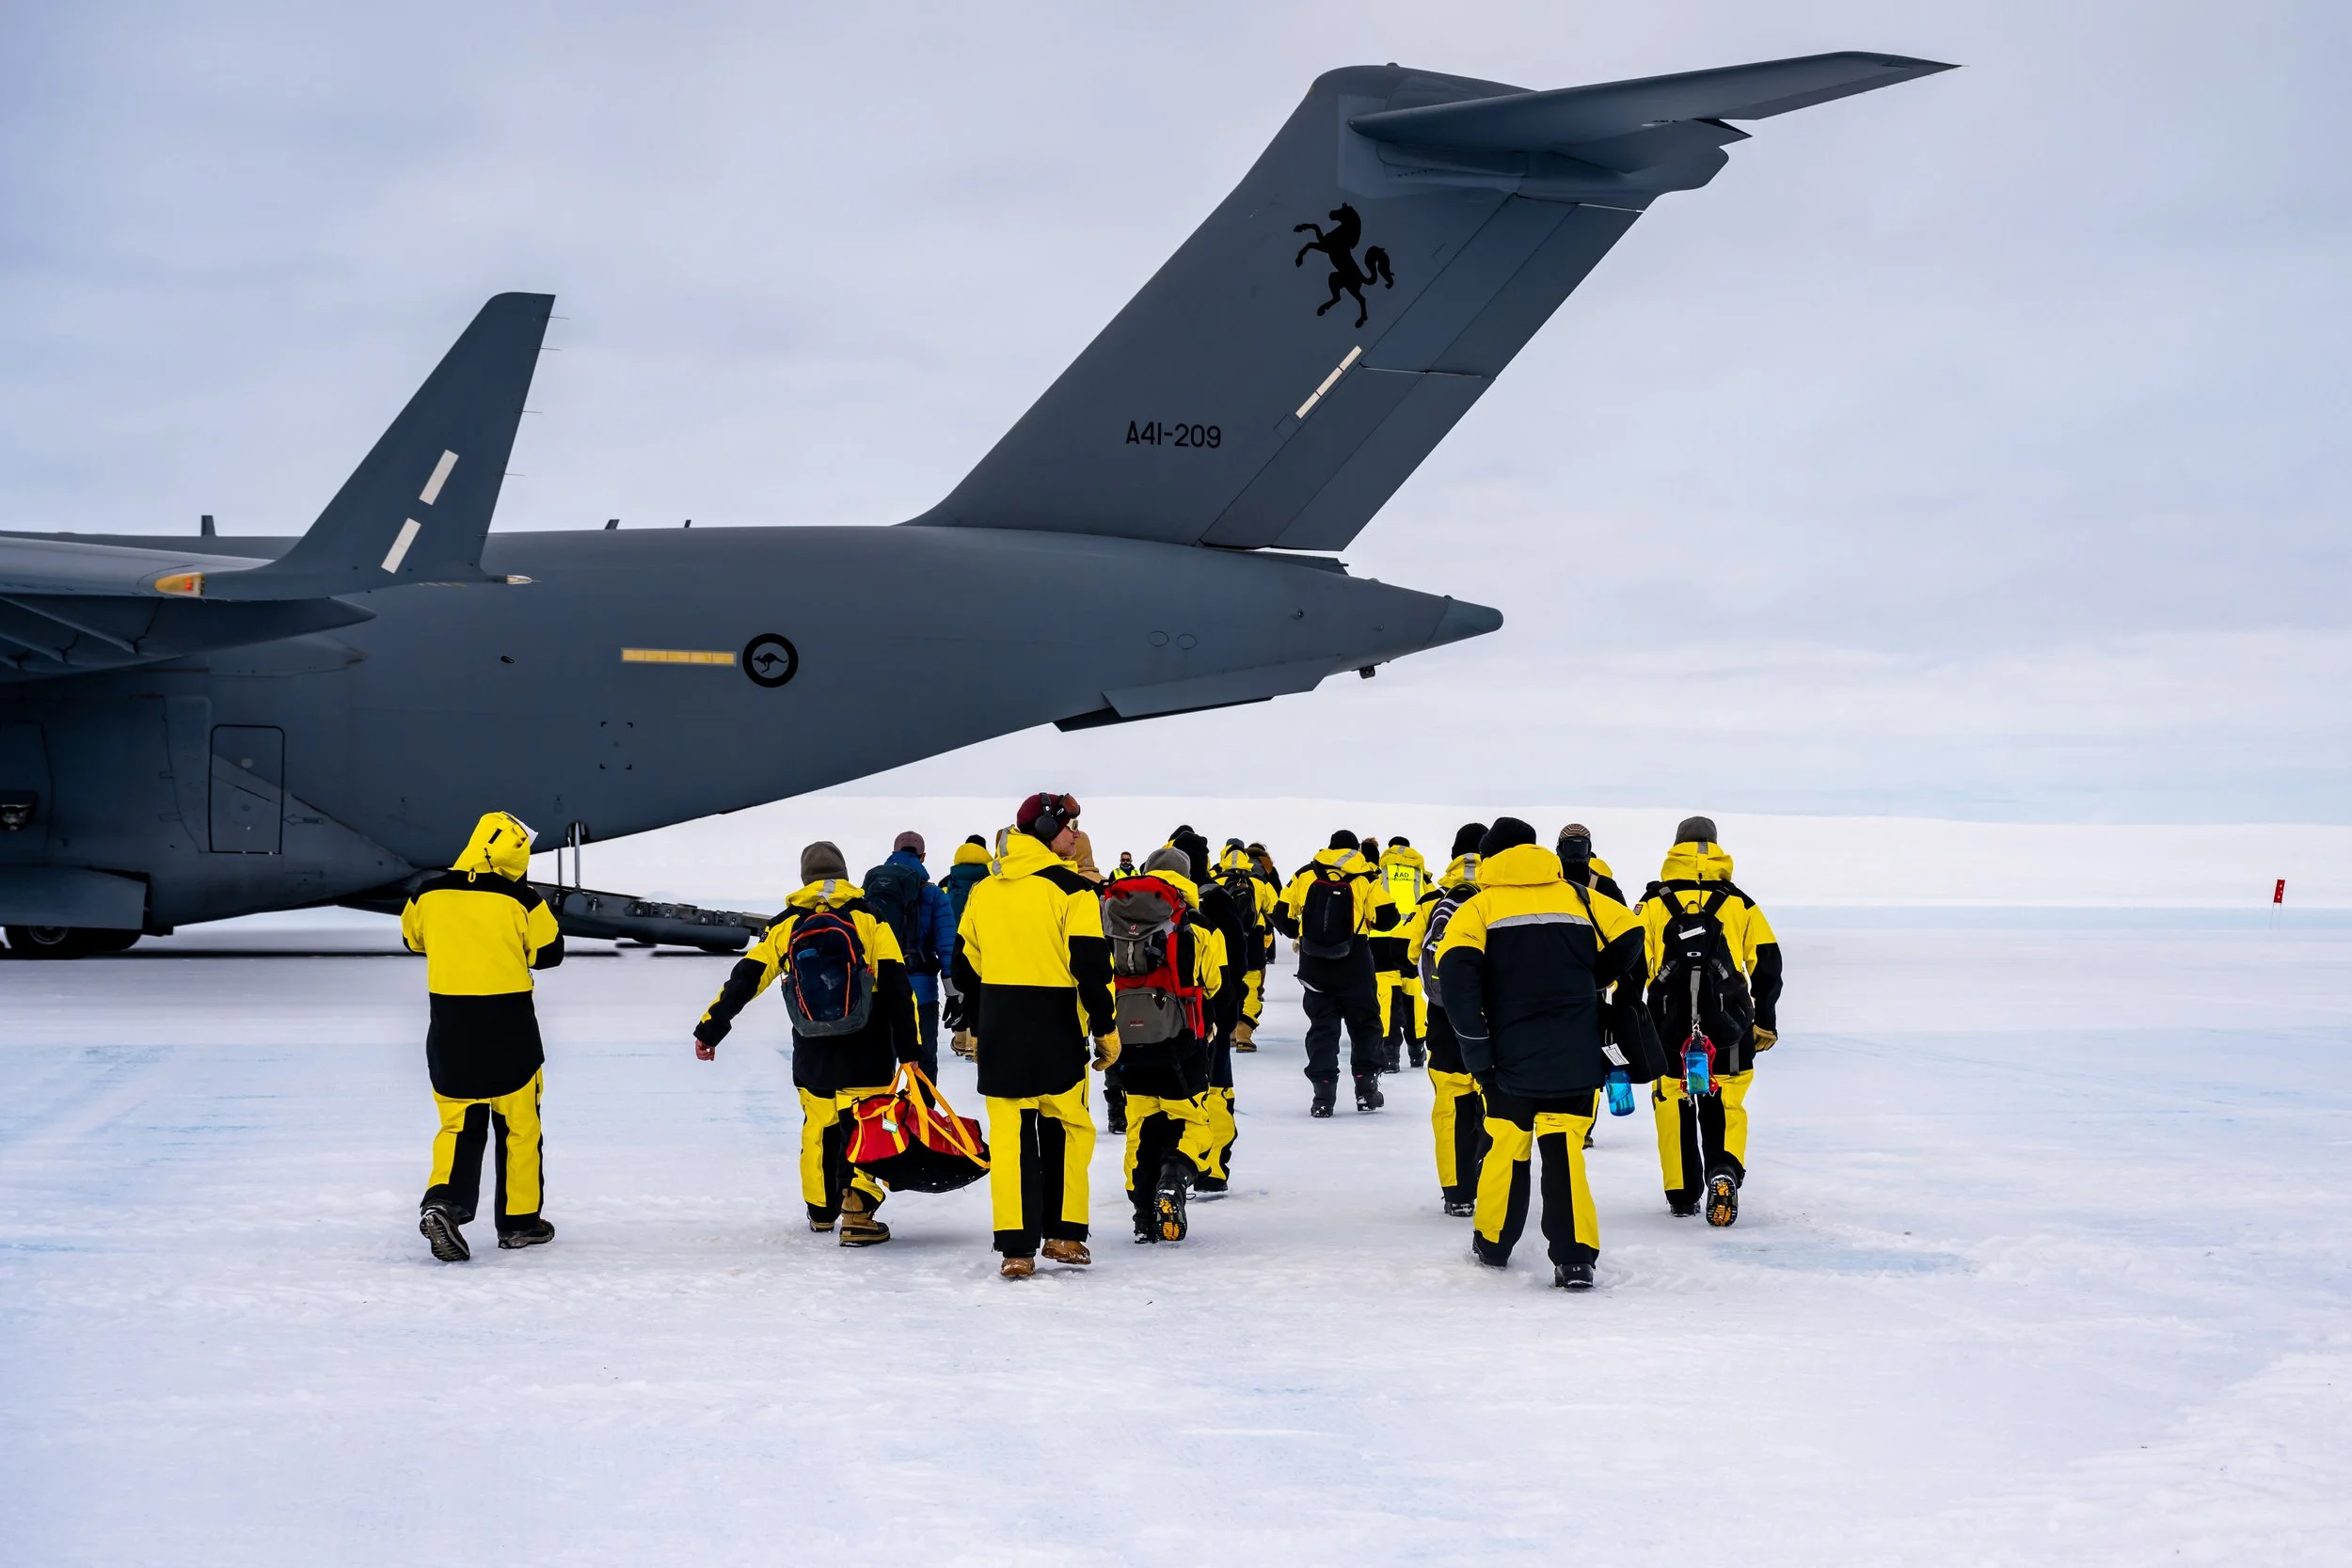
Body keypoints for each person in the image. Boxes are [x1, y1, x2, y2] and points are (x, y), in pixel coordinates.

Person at [1436, 817, 1646, 1290]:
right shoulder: (1580, 897)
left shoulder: (1480, 907)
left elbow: (1456, 982)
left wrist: (1475, 1049)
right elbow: (1632, 935)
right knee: (1564, 1148)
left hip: (1508, 1055)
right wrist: (1592, 976)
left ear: (1489, 857)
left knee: (1507, 1145)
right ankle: (1574, 1259)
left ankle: (1493, 1244)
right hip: (1576, 1051)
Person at [691, 842, 919, 1245]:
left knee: (818, 1126)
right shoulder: (870, 918)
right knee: (864, 1124)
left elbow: (746, 978)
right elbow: (899, 987)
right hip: (866, 1047)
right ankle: (858, 1210)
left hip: (812, 1049)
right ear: (844, 875)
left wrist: (711, 1028)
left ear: (805, 879)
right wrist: (911, 1052)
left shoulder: (786, 924)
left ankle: (820, 1210)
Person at [952, 792, 1117, 1278]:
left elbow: (965, 968)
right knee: (1067, 1129)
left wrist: (981, 1022)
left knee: (1011, 1140)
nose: (1076, 835)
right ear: (1048, 829)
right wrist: (1106, 1029)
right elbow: (1091, 967)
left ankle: (1017, 1251)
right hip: (1058, 1025)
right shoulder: (1073, 891)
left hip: (1002, 1031)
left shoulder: (985, 891)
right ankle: (1064, 1236)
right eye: (1070, 827)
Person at [405, 811, 565, 1262]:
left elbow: (413, 940)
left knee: (459, 1124)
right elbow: (550, 953)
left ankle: (444, 1205)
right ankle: (520, 1224)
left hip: (451, 1024)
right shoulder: (521, 898)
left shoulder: (429, 893)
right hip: (509, 1025)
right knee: (519, 1127)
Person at [1636, 816, 1784, 1227]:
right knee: (1728, 1099)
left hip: (1667, 1023)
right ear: (1717, 848)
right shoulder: (1740, 903)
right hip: (1729, 1024)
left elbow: (1631, 964)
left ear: (1676, 848)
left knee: (1672, 1102)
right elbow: (1768, 963)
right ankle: (1724, 1169)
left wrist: (1630, 1017)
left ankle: (1683, 1194)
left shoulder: (1652, 903)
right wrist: (1765, 1020)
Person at [1107, 847, 1232, 1242]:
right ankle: (1174, 1178)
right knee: (1194, 1121)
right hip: (1182, 1042)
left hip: (1129, 1041)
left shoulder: (1114, 916)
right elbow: (1217, 987)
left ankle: (1143, 1217)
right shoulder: (1200, 925)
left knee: (1141, 1125)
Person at [1277, 830, 1397, 1116]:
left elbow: (1280, 914)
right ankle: (1366, 1090)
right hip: (1355, 959)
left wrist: (1302, 933)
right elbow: (1387, 918)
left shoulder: (1305, 873)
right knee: (1365, 1023)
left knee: (1322, 1026)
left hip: (1314, 961)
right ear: (1355, 850)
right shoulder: (1366, 877)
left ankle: (1323, 1095)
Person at [1412, 822, 1487, 1216]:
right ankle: (1492, 1180)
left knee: (1451, 1100)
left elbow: (1412, 954)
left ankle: (1457, 1192)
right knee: (1494, 1100)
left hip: (1444, 1018)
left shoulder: (1433, 900)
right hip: (1494, 1018)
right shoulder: (1499, 897)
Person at [862, 831, 958, 1083]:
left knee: (880, 1064)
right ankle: (921, 1118)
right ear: (922, 857)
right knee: (923, 1062)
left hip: (876, 991)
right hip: (920, 993)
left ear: (893, 853)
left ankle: (882, 1121)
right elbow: (947, 948)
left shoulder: (869, 892)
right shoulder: (934, 895)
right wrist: (954, 994)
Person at [1375, 834, 1432, 1070]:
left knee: (1387, 995)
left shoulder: (1378, 876)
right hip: (1410, 942)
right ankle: (1417, 1050)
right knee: (1413, 995)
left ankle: (1390, 1055)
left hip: (1381, 942)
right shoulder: (1422, 878)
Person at [1212, 839, 1275, 1052]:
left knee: (1225, 983)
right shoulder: (1258, 882)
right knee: (1252, 986)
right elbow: (1275, 909)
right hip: (1252, 938)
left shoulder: (1215, 880)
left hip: (1223, 940)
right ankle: (1244, 1034)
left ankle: (1228, 1030)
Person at [939, 835, 991, 1060]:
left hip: (954, 942)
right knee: (979, 989)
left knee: (960, 990)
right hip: (981, 942)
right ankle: (974, 1041)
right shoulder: (990, 879)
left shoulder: (949, 880)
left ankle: (961, 1040)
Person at [1556, 823, 1626, 903]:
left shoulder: (1605, 886)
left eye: (1581, 849)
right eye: (1571, 849)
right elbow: (1625, 915)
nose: (1576, 855)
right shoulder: (1606, 886)